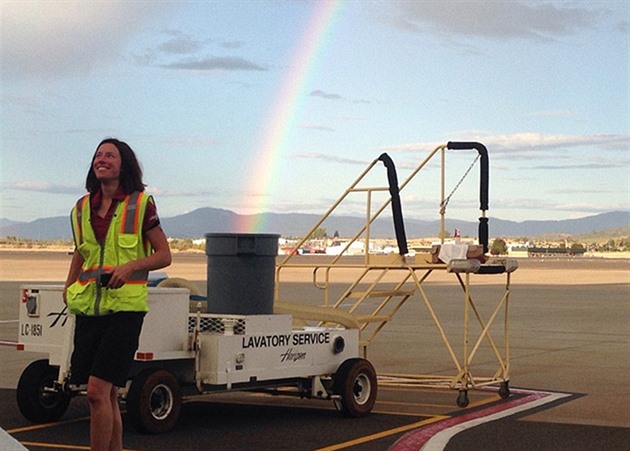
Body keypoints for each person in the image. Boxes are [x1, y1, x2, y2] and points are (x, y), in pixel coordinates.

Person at [63, 138, 172, 451]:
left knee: (97, 391)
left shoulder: (140, 204)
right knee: (107, 393)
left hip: (125, 310)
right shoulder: (82, 207)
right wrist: (69, 286)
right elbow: (81, 252)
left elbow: (164, 255)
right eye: (98, 154)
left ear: (124, 164)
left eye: (110, 155)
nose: (102, 159)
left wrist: (130, 267)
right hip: (89, 308)